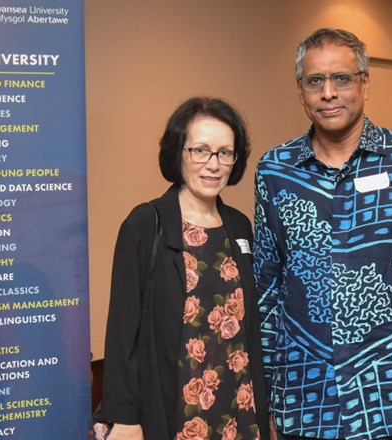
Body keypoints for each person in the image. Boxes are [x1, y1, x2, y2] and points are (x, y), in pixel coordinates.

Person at [253, 28, 392, 440]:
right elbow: (267, 290)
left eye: (342, 78)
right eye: (315, 81)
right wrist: (265, 400)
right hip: (305, 400)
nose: (328, 93)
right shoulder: (275, 171)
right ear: (301, 91)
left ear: (365, 84)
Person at [101, 97, 270, 439]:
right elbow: (122, 333)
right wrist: (125, 417)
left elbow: (250, 325)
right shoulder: (146, 223)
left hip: (240, 405)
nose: (214, 164)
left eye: (225, 152)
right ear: (178, 152)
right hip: (175, 409)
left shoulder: (239, 226)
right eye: (201, 150)